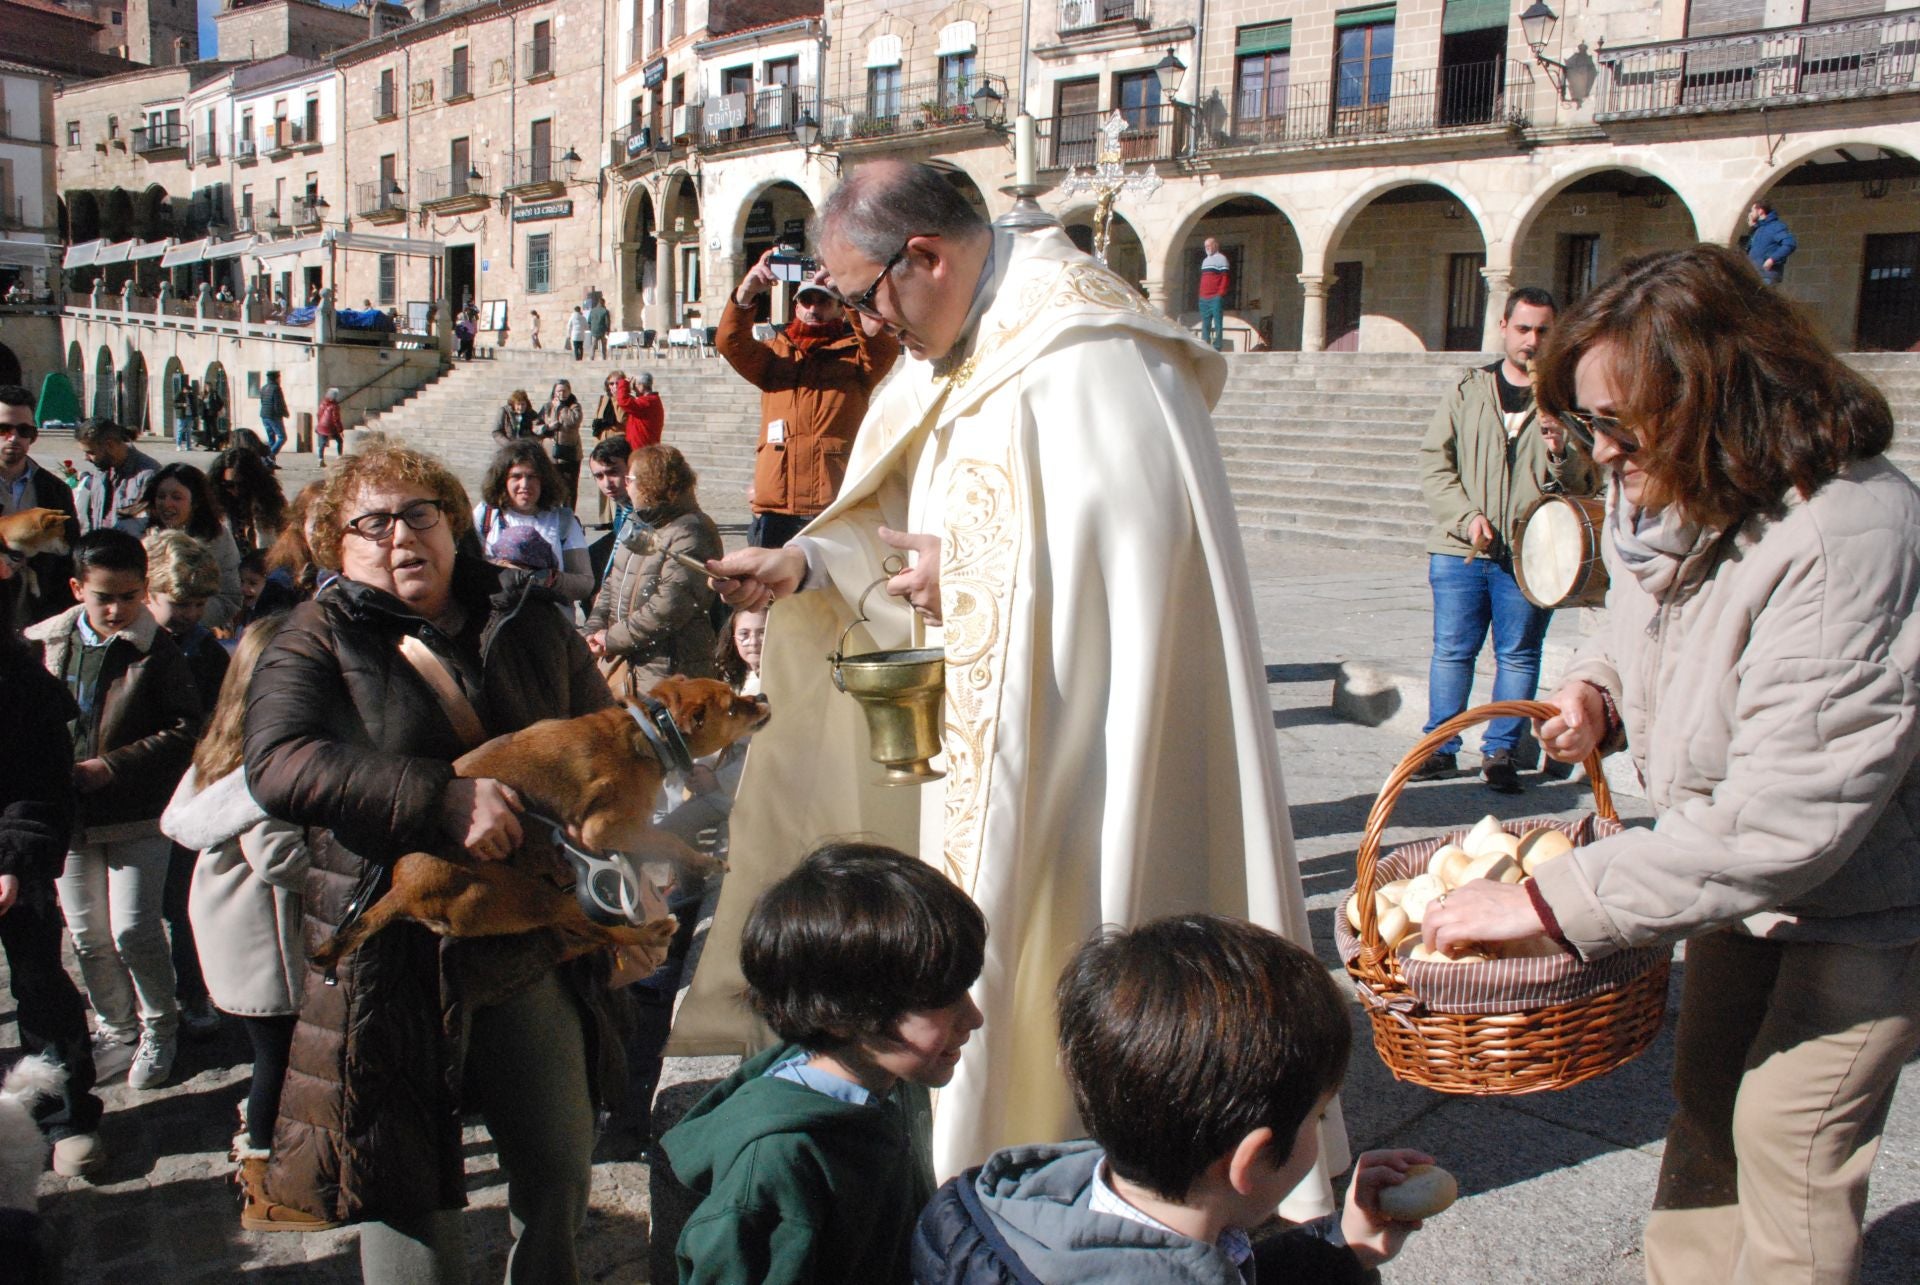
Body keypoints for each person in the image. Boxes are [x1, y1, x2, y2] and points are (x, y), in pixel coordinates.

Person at [692, 161, 1340, 1206]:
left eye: (863, 298)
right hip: (981, 729)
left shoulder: (1091, 355)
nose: (864, 327)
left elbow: (1127, 562)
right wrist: (805, 562)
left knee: (1074, 920)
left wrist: (967, 578)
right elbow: (897, 504)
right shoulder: (949, 348)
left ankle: (1099, 1135)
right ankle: (989, 1126)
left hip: (1085, 736)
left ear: (926, 258)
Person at [1422, 245, 1920, 1285]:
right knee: (1709, 1108)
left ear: (1716, 396)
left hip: (1867, 898)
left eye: (1617, 424)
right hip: (1732, 880)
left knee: (1789, 1137)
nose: (1600, 453)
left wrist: (1551, 902)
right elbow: (1646, 617)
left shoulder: (1848, 533)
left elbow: (1789, 814)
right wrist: (1597, 691)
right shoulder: (1674, 485)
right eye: (1586, 423)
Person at [243, 443, 616, 1267]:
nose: (401, 535)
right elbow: (276, 761)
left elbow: (599, 734)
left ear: (453, 524)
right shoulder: (314, 636)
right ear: (336, 544)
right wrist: (438, 796)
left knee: (559, 1161)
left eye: (420, 513)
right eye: (372, 523)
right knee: (408, 1199)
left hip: (521, 933)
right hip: (394, 950)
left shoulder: (527, 616)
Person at [915, 914, 1431, 1284]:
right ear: (1249, 1161)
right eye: (1317, 1118)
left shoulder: (995, 1216)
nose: (1321, 1128)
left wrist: (1343, 1250)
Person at [663, 841, 986, 1285]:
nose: (974, 1018)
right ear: (841, 1014)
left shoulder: (887, 1080)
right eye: (942, 1000)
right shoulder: (776, 1173)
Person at [160, 614, 325, 1230]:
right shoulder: (264, 761)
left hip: (238, 942)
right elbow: (279, 857)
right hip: (267, 950)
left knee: (271, 1058)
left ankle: (264, 1153)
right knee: (280, 1067)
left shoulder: (222, 743)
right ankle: (266, 1188)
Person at [26, 529, 200, 1093]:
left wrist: (114, 766)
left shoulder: (157, 650)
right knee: (87, 934)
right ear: (78, 588)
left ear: (144, 590)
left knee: (133, 929)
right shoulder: (46, 645)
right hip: (70, 814)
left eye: (129, 596)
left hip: (136, 811)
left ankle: (160, 1026)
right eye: (104, 596)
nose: (117, 609)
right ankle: (116, 1026)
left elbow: (186, 730)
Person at [1412, 286, 1596, 793]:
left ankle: (1500, 751)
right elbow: (1435, 462)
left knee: (1518, 654)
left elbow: (1587, 483)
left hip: (1530, 554)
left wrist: (1562, 450)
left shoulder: (1567, 398)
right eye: (1523, 329)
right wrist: (1465, 516)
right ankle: (1439, 747)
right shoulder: (1468, 388)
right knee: (1452, 651)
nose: (1532, 341)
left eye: (1542, 331)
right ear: (1504, 328)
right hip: (1461, 549)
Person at [0, 623, 105, 1178]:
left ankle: (65, 1116)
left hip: (14, 858)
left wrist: (12, 858)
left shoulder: (18, 679)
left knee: (39, 982)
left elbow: (40, 778)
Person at [719, 248, 901, 549]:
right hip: (777, 505)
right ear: (796, 307)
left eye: (824, 301)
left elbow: (882, 345)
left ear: (839, 308)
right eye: (806, 301)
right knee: (770, 579)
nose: (813, 309)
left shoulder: (857, 359)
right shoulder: (774, 355)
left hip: (831, 502)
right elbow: (730, 342)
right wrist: (746, 293)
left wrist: (851, 297)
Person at [142, 529, 230, 1041]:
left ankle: (193, 991)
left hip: (189, 790)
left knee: (181, 904)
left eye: (199, 605)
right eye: (179, 603)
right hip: (133, 794)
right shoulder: (132, 647)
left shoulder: (206, 653)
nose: (190, 615)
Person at [584, 443, 721, 688]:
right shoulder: (639, 523)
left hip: (670, 668)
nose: (626, 486)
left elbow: (670, 606)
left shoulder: (691, 530)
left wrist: (612, 639)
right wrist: (592, 630)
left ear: (652, 483)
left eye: (630, 479)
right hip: (625, 662)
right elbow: (612, 583)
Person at [472, 440, 594, 604]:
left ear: (544, 480)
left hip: (549, 615)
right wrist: (501, 569)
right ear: (503, 480)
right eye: (516, 476)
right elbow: (468, 567)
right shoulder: (486, 515)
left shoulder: (563, 521)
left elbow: (585, 584)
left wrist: (547, 579)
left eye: (532, 477)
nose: (524, 485)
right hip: (496, 613)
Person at [0, 385, 79, 630]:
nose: (14, 438)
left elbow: (68, 557)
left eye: (24, 430)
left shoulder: (54, 490)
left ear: (33, 436)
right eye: (3, 429)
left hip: (36, 620)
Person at [141, 463, 245, 630]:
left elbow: (230, 598)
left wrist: (186, 611)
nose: (167, 503)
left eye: (176, 497)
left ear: (195, 502)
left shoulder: (216, 538)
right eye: (161, 496)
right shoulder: (139, 533)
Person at [74, 418, 159, 536]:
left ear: (110, 445)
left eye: (91, 452)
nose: (85, 458)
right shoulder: (102, 469)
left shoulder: (149, 475)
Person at [209, 446, 287, 553]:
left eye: (242, 485)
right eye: (229, 485)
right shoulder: (214, 506)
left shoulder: (270, 503)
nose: (236, 490)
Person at [585, 436, 632, 587]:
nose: (607, 483)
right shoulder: (622, 506)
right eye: (599, 476)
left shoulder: (647, 510)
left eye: (613, 472)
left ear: (631, 469)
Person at [538, 379, 585, 510]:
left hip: (569, 454)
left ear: (569, 391)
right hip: (550, 455)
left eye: (565, 391)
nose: (562, 394)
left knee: (569, 488)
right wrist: (546, 427)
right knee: (551, 487)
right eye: (559, 391)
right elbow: (535, 425)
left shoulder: (574, 407)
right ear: (554, 392)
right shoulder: (547, 407)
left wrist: (562, 408)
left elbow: (573, 422)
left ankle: (568, 513)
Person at [1745, 200, 1797, 285]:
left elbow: (1790, 244)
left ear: (1760, 211)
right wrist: (1753, 228)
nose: (1750, 214)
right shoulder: (1759, 229)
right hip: (1755, 274)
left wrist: (1771, 260)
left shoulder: (1775, 227)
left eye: (1752, 211)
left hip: (1766, 275)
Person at [616, 371, 663, 452]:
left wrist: (624, 383)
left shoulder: (647, 402)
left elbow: (623, 401)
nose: (634, 388)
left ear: (641, 386)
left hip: (641, 448)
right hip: (643, 446)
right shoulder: (651, 400)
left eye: (635, 385)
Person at [1197, 236, 1230, 352]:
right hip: (1203, 297)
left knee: (1217, 323)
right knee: (1205, 323)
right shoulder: (1205, 261)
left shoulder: (1222, 259)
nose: (1207, 248)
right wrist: (1201, 294)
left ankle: (1217, 345)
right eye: (1205, 246)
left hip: (1215, 297)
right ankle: (1205, 345)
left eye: (1209, 245)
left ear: (1215, 245)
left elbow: (1225, 277)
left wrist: (1220, 293)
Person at [257, 371, 289, 465]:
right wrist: (285, 413)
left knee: (271, 439)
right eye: (279, 378)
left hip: (264, 415)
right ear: (276, 378)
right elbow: (278, 404)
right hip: (273, 416)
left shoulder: (263, 388)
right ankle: (269, 457)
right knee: (282, 437)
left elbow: (262, 402)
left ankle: (271, 463)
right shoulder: (276, 388)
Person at [315, 387, 344, 467]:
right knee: (339, 440)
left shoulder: (322, 403)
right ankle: (339, 456)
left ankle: (320, 459)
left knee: (322, 443)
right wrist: (340, 430)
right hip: (331, 426)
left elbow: (318, 414)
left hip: (321, 425)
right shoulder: (334, 406)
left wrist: (319, 423)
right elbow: (336, 419)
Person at [199, 380, 227, 450]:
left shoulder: (214, 394)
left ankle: (217, 445)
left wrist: (217, 410)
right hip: (205, 414)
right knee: (207, 430)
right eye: (206, 387)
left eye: (208, 386)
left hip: (212, 414)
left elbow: (221, 402)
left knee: (213, 430)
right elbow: (200, 404)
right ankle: (209, 446)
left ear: (210, 387)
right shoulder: (204, 394)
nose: (207, 388)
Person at [588, 295, 611, 360]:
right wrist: (608, 330)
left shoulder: (592, 310)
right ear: (603, 303)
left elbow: (589, 321)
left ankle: (592, 357)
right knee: (604, 345)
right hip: (602, 330)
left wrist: (591, 329)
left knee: (593, 345)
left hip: (594, 330)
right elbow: (607, 322)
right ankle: (604, 357)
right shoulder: (605, 311)